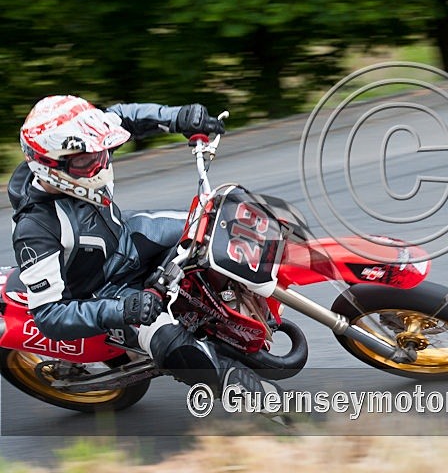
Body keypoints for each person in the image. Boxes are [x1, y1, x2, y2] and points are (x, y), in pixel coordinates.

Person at [8, 95, 279, 402]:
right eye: (88, 160)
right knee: (180, 350)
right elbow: (49, 316)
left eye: (103, 152)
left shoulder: (83, 151)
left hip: (128, 242)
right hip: (103, 294)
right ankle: (274, 406)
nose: (103, 161)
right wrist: (123, 309)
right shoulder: (35, 229)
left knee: (216, 222)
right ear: (48, 166)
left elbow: (124, 116)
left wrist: (178, 116)